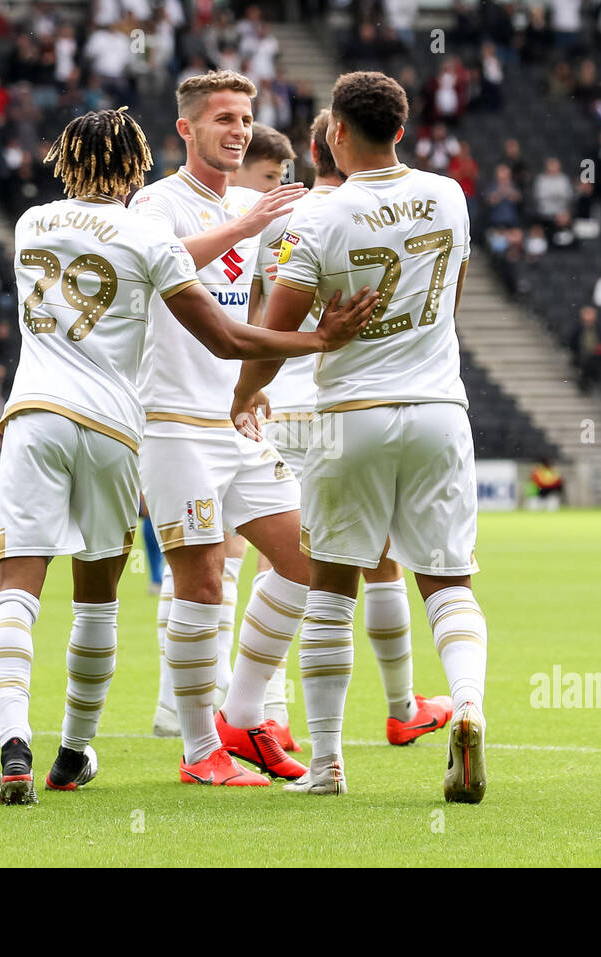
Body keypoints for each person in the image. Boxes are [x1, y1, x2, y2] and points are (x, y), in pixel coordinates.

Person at [0, 106, 375, 804]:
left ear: (67, 162)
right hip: (112, 428)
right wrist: (320, 341)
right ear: (136, 165)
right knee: (96, 607)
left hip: (31, 418)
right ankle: (76, 749)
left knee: (17, 588)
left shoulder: (30, 224)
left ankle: (15, 743)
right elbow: (226, 338)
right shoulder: (149, 233)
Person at [232, 71, 488, 803]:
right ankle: (465, 704)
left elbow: (278, 329)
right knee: (448, 581)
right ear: (401, 131)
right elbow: (453, 300)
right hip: (439, 407)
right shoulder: (449, 195)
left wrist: (247, 393)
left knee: (334, 586)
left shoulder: (322, 215)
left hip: (351, 413)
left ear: (335, 133)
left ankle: (328, 765)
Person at [126, 70, 337, 789]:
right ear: (186, 129)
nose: (239, 130)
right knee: (204, 582)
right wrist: (245, 227)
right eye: (223, 118)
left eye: (245, 118)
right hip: (174, 424)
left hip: (235, 421)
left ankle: (242, 714)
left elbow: (325, 216)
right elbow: (163, 266)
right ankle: (195, 750)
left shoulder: (253, 201)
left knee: (312, 559)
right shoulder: (154, 204)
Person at [570, 306, 601, 392]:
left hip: (597, 355)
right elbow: (573, 343)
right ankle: (588, 383)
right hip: (583, 355)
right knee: (589, 363)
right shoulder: (578, 329)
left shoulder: (599, 329)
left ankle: (592, 382)